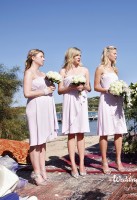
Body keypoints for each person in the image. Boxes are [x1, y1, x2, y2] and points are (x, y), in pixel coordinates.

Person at [23, 49, 58, 185]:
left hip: (45, 109)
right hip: (35, 108)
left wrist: (51, 88)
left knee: (42, 141)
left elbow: (47, 90)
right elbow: (26, 93)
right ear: (33, 57)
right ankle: (36, 173)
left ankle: (43, 170)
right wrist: (44, 91)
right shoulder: (29, 73)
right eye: (41, 56)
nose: (44, 59)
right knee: (35, 141)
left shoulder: (44, 74)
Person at [58, 47, 91, 178]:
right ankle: (72, 165)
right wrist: (71, 87)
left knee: (81, 133)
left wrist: (83, 86)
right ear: (71, 56)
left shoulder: (85, 70)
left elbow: (89, 87)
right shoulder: (63, 71)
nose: (79, 57)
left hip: (81, 102)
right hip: (70, 102)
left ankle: (81, 164)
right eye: (77, 55)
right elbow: (60, 90)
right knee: (71, 134)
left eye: (80, 55)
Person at [94, 46, 127, 174]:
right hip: (106, 101)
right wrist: (107, 90)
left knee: (119, 131)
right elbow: (96, 86)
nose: (116, 55)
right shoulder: (100, 68)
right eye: (114, 53)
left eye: (116, 53)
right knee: (105, 132)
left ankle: (118, 160)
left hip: (117, 101)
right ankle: (104, 161)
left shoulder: (115, 70)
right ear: (108, 54)